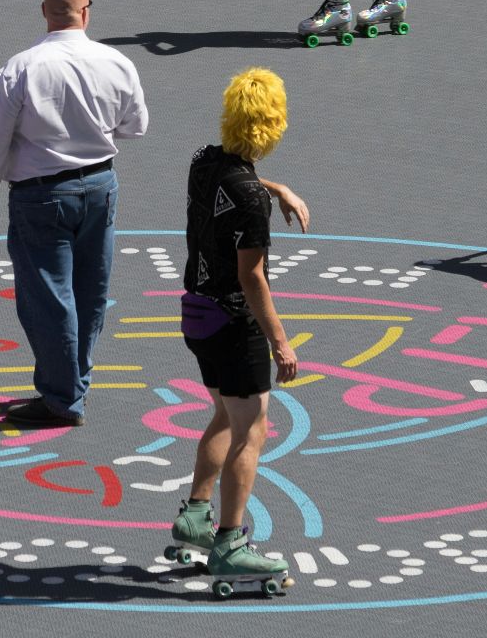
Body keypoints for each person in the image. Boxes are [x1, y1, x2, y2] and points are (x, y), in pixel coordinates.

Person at [0, 0, 150, 428]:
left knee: (48, 298)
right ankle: (76, 380)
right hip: (99, 186)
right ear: (87, 11)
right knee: (91, 293)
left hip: (41, 194)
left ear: (44, 12)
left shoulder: (22, 67)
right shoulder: (116, 62)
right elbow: (135, 126)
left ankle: (61, 397)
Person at [169, 68, 311, 592]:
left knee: (225, 416)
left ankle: (196, 516)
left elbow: (240, 182)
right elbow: (253, 277)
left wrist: (279, 187)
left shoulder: (203, 162)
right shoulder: (251, 201)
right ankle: (230, 543)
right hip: (235, 323)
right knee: (253, 428)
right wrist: (281, 341)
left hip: (196, 315)